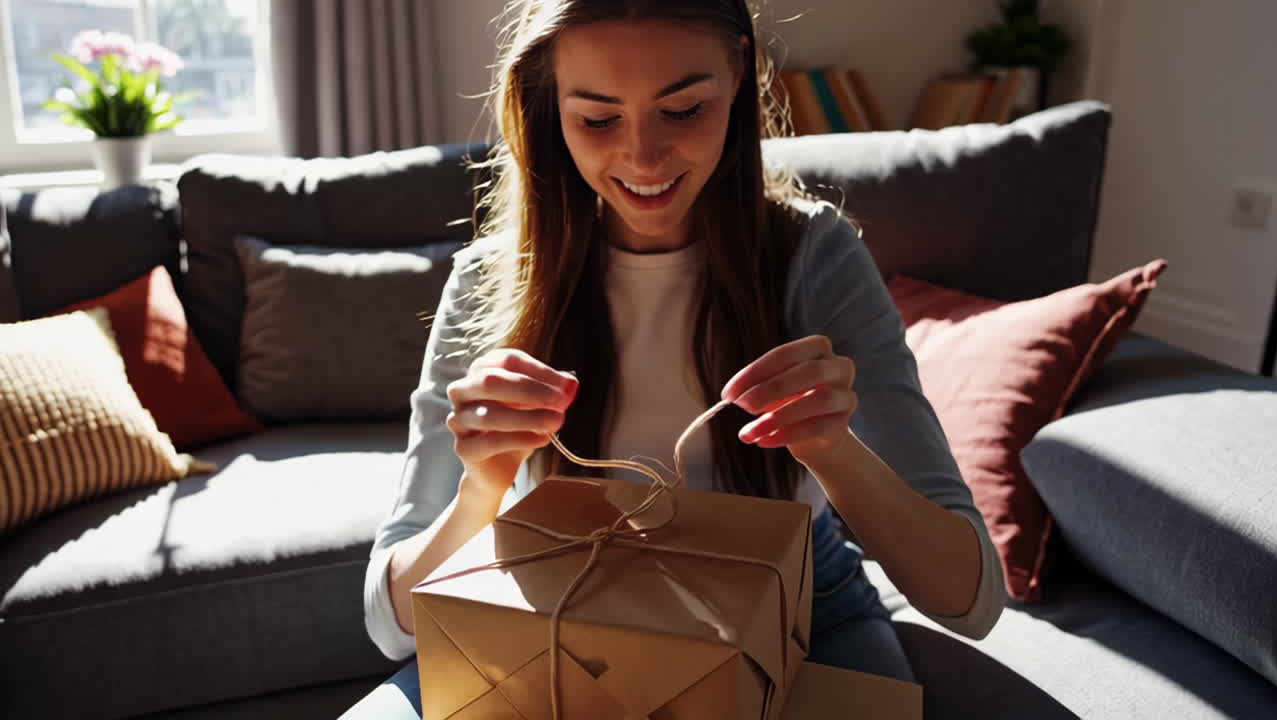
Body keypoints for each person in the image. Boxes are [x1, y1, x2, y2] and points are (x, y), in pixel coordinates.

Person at [343, 0, 1004, 716]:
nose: (644, 159)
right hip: (560, 602)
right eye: (597, 119)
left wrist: (834, 453)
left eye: (684, 110)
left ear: (738, 79)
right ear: (546, 102)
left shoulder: (814, 258)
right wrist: (481, 489)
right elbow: (390, 623)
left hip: (804, 606)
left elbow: (971, 602)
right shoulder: (490, 279)